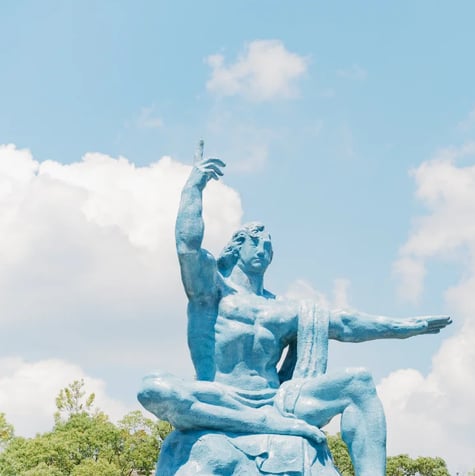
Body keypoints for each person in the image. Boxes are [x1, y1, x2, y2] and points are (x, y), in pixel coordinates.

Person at [138, 153, 451, 476]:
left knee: (359, 382)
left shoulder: (283, 310)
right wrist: (193, 188)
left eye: (268, 246)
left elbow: (344, 324)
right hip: (220, 397)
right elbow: (187, 247)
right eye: (256, 243)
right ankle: (261, 423)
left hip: (277, 401)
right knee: (154, 387)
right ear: (237, 246)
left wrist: (403, 327)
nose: (263, 250)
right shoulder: (211, 291)